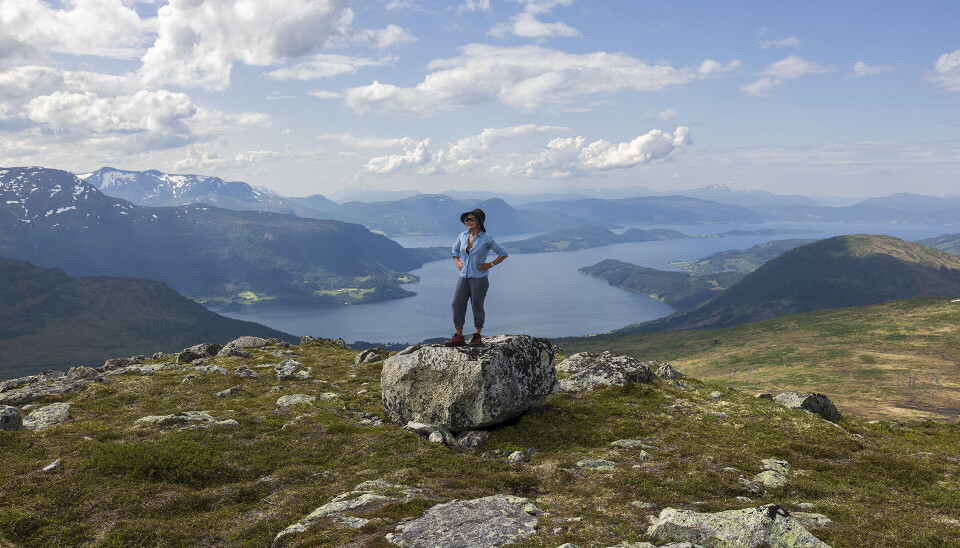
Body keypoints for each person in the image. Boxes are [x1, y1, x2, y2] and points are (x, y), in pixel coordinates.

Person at [444, 208, 508, 347]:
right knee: (457, 304)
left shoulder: (487, 238)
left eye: (471, 219)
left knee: (477, 306)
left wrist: (490, 264)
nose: (468, 221)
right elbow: (454, 250)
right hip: (463, 276)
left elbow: (503, 253)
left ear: (479, 221)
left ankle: (477, 336)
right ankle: (459, 336)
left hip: (479, 278)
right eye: (466, 219)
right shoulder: (462, 236)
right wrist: (457, 262)